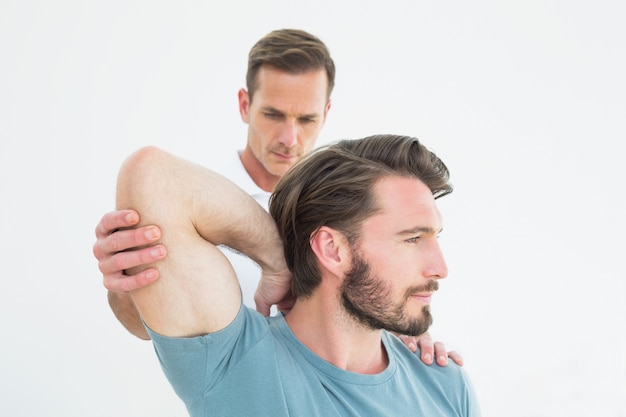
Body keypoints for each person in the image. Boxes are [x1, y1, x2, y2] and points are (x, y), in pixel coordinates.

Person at [93, 28, 460, 365]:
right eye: (273, 114)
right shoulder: (185, 208)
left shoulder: (354, 207)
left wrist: (409, 337)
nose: (288, 137)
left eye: (306, 120)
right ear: (244, 105)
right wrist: (127, 285)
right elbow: (146, 327)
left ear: (326, 113)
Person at [114, 134, 481, 416]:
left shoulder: (443, 383)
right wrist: (276, 261)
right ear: (332, 249)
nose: (441, 267)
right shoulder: (234, 362)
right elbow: (153, 174)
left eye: (434, 237)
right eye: (413, 238)